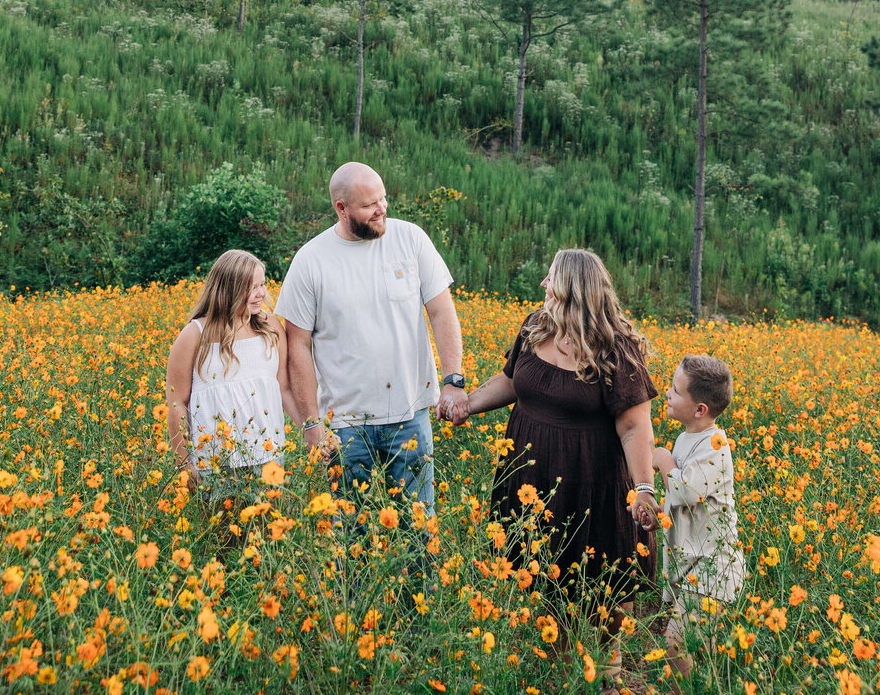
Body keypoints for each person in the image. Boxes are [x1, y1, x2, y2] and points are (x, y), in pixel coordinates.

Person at [458, 249, 659, 678]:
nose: (544, 286)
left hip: (593, 479)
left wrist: (644, 487)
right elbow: (511, 381)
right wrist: (467, 404)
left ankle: (609, 663)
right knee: (547, 567)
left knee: (606, 571)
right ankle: (563, 656)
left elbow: (634, 427)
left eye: (551, 279)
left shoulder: (614, 349)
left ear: (573, 290)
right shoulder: (536, 326)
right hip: (534, 474)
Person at [277, 161, 467, 516]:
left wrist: (453, 379)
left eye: (383, 199)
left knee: (419, 532)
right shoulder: (310, 261)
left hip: (410, 416)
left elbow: (442, 312)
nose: (382, 209)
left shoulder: (411, 239)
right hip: (345, 428)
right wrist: (312, 425)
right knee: (352, 538)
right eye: (369, 205)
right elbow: (297, 346)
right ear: (341, 208)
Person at [165, 249, 300, 512]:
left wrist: (311, 430)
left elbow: (284, 388)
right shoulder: (194, 335)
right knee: (222, 544)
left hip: (268, 457)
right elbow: (176, 403)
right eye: (252, 287)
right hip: (215, 464)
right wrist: (184, 465)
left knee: (268, 540)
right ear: (227, 289)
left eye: (262, 284)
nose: (261, 293)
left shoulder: (271, 327)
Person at [652, 354, 746, 676]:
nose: (667, 393)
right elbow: (682, 503)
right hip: (690, 565)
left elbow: (688, 492)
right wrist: (658, 515)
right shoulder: (684, 438)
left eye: (676, 390)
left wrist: (663, 462)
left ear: (700, 409)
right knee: (691, 649)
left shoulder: (717, 446)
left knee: (676, 645)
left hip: (714, 568)